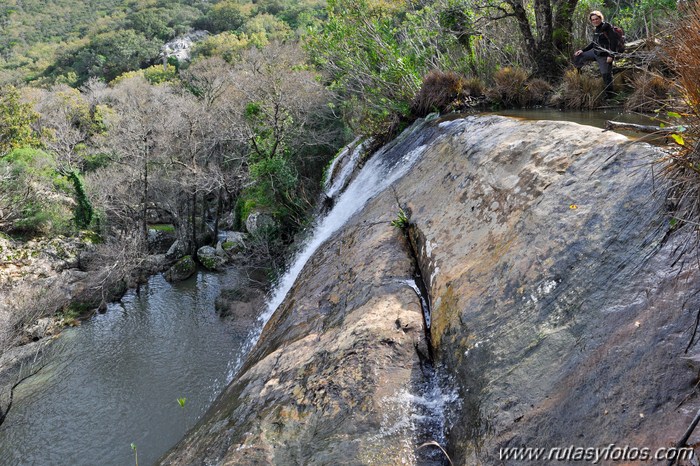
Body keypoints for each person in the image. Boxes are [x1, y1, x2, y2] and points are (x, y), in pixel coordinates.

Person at [573, 11, 620, 100]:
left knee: (606, 75)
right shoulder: (596, 29)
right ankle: (579, 78)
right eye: (593, 20)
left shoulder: (607, 27)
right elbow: (593, 43)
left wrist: (611, 55)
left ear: (600, 18)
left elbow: (614, 42)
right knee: (578, 56)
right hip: (595, 52)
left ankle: (610, 96)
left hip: (604, 55)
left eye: (596, 19)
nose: (595, 21)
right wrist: (582, 50)